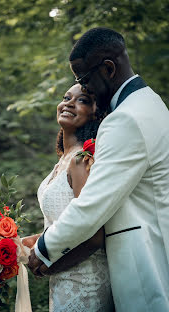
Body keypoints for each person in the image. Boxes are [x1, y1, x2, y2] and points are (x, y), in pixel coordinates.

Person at [28, 27, 169, 312]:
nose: (83, 88)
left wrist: (43, 251)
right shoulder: (152, 104)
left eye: (84, 79)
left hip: (143, 266)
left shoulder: (126, 118)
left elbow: (92, 205)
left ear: (108, 68)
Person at [23, 83, 114, 311]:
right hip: (62, 283)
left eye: (82, 100)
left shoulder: (82, 161)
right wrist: (17, 244)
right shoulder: (62, 161)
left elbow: (94, 236)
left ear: (96, 113)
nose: (68, 103)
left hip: (85, 283)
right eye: (66, 97)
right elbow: (61, 225)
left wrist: (49, 266)